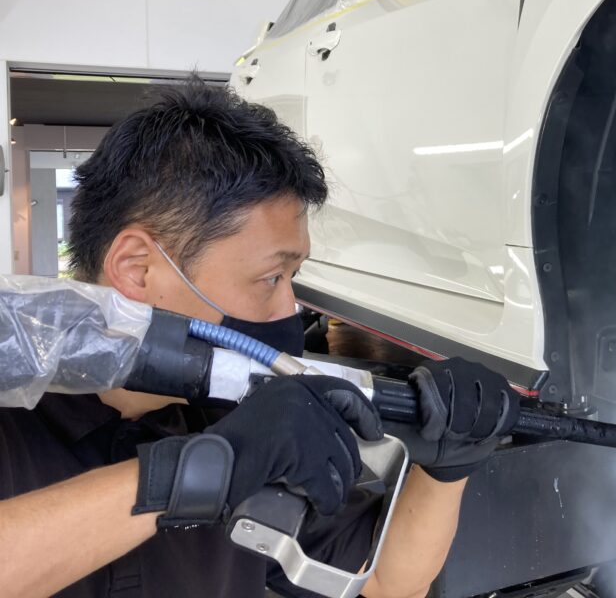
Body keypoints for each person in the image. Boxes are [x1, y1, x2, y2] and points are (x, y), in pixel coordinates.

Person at [0, 79, 518, 597]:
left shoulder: (241, 422)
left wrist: (448, 466)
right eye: (271, 277)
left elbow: (385, 583)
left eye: (294, 278)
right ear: (138, 270)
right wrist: (205, 470)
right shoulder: (14, 415)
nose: (290, 310)